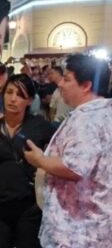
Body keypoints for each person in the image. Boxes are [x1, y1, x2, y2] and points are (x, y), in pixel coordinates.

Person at [24, 53, 112, 247]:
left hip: (77, 232)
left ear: (86, 85)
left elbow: (74, 167)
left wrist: (39, 160)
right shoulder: (104, 113)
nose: (60, 84)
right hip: (93, 228)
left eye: (67, 78)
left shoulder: (87, 120)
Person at [0, 74, 55, 248]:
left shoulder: (41, 126)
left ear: (29, 100)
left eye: (20, 95)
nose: (13, 99)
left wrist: (43, 167)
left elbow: (54, 161)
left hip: (30, 207)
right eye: (9, 92)